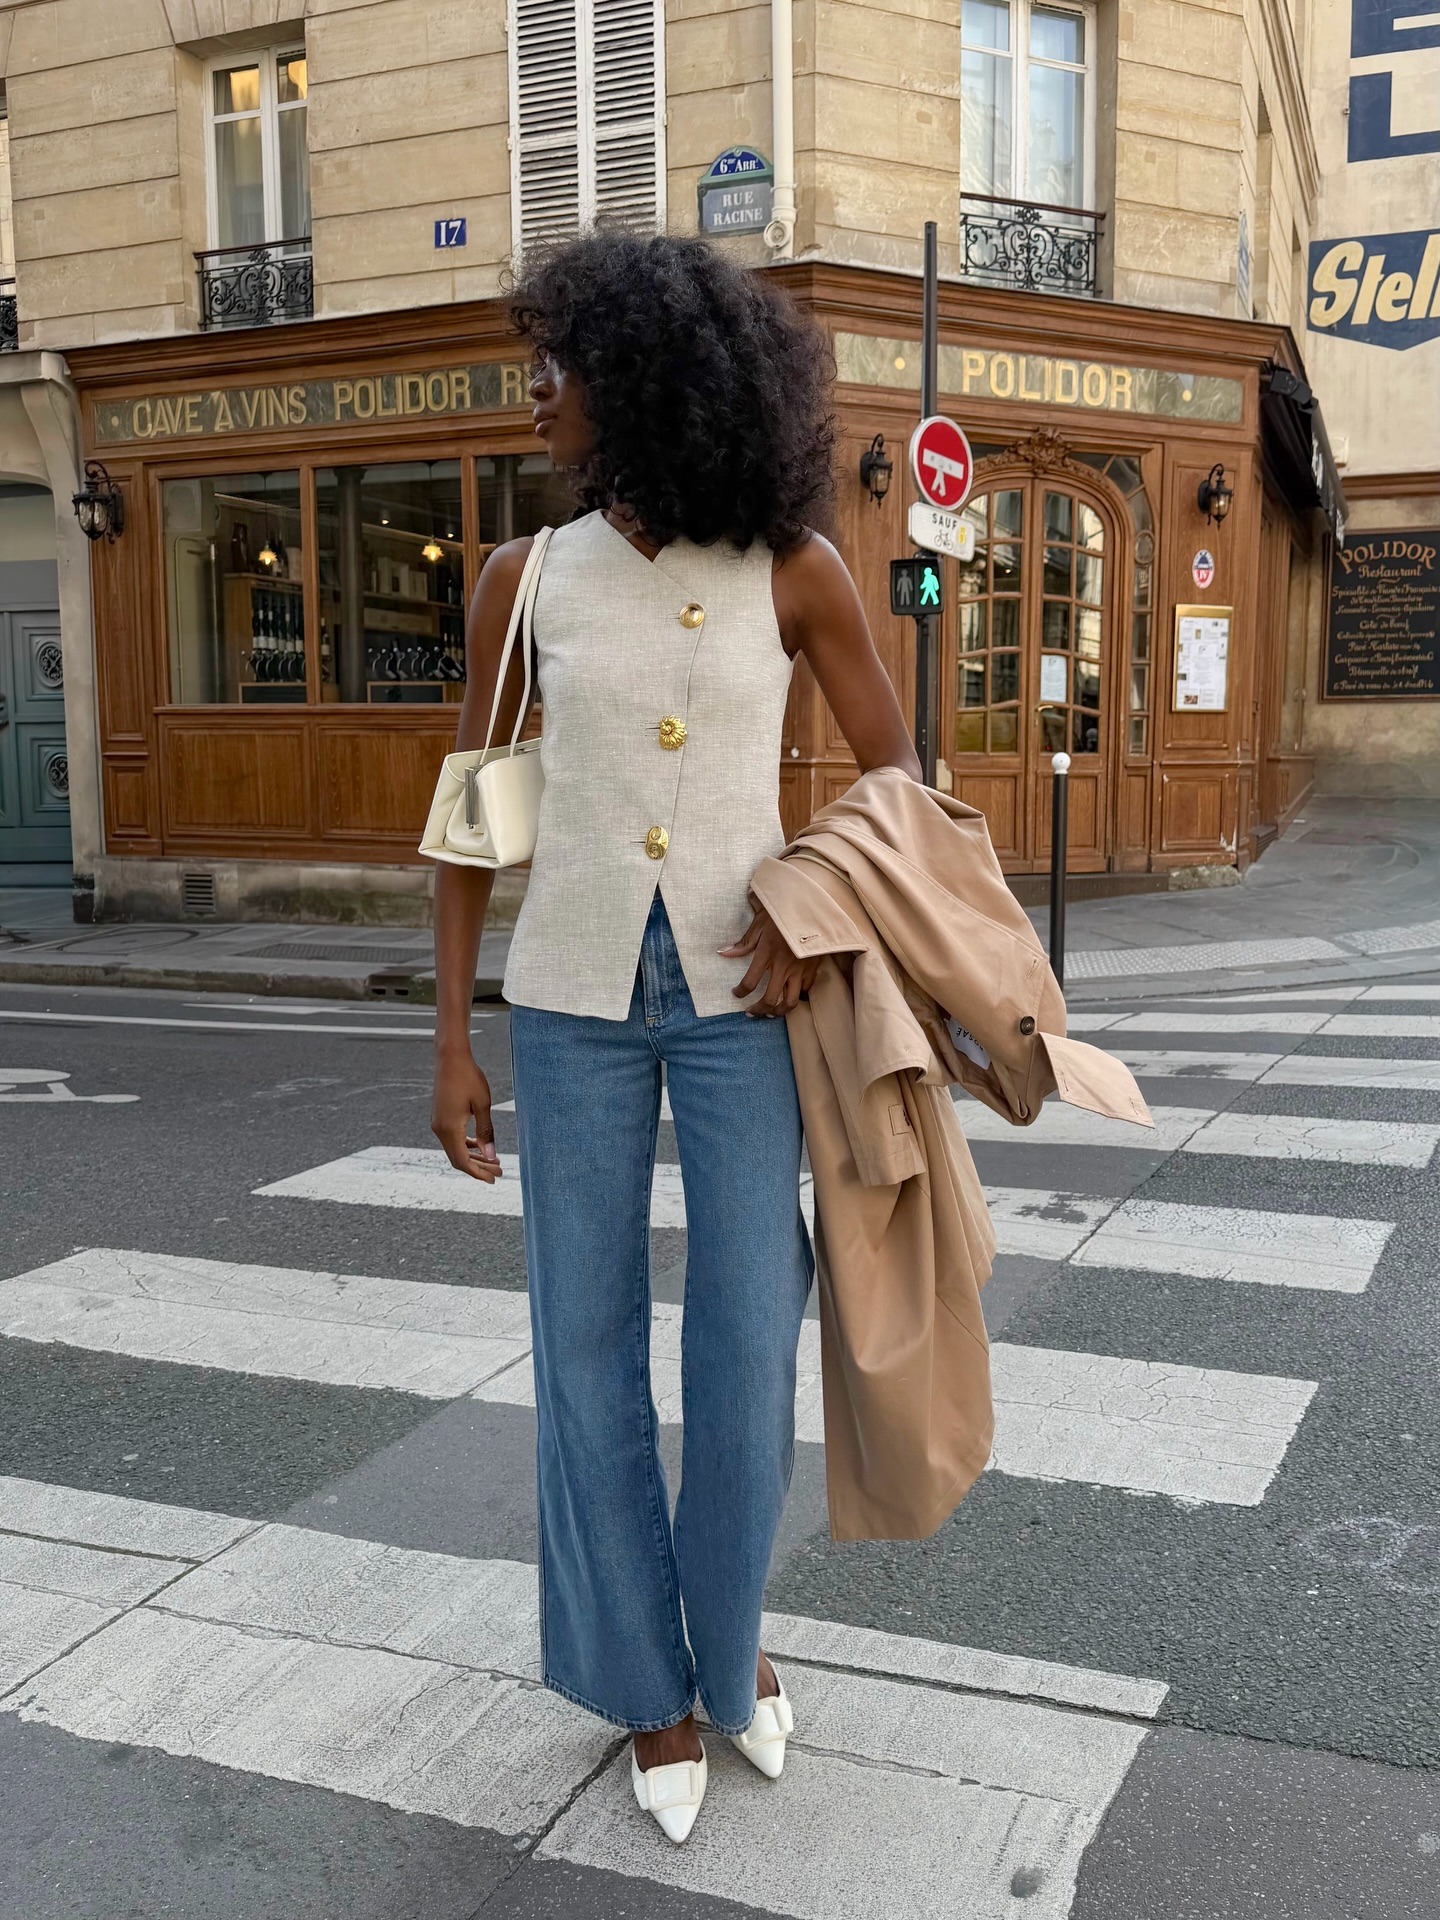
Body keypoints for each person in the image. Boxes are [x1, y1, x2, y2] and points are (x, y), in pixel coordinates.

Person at [430, 231, 921, 1843]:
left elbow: (891, 783)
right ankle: (648, 1689)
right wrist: (450, 1040)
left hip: (739, 1008)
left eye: (553, 368)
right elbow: (469, 825)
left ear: (637, 381)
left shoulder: (794, 566)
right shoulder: (526, 582)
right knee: (581, 1352)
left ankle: (738, 1644)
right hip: (569, 1004)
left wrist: (811, 906)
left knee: (741, 1343)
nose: (535, 396)